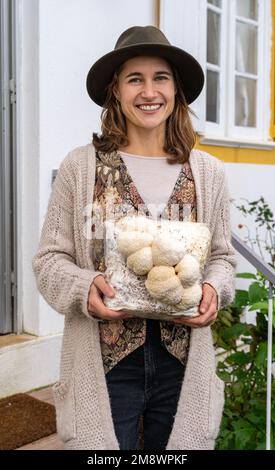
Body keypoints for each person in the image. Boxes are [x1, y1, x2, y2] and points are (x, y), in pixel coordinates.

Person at [32, 25, 236, 450]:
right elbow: (50, 259)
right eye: (134, 79)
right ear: (116, 91)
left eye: (160, 77)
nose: (149, 91)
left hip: (181, 365)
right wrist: (84, 288)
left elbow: (222, 257)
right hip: (105, 366)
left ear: (176, 89)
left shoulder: (209, 172)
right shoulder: (80, 167)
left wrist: (215, 289)